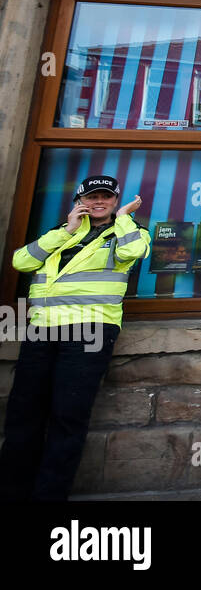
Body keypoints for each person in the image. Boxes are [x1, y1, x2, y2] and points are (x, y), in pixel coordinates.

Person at [0, 174, 149, 500]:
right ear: (79, 200)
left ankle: (48, 495)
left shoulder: (127, 232)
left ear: (115, 200)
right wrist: (66, 231)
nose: (99, 202)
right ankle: (12, 491)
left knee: (68, 415)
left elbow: (136, 251)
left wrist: (123, 219)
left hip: (90, 330)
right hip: (42, 328)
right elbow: (20, 261)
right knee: (24, 412)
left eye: (106, 197)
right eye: (92, 197)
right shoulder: (61, 232)